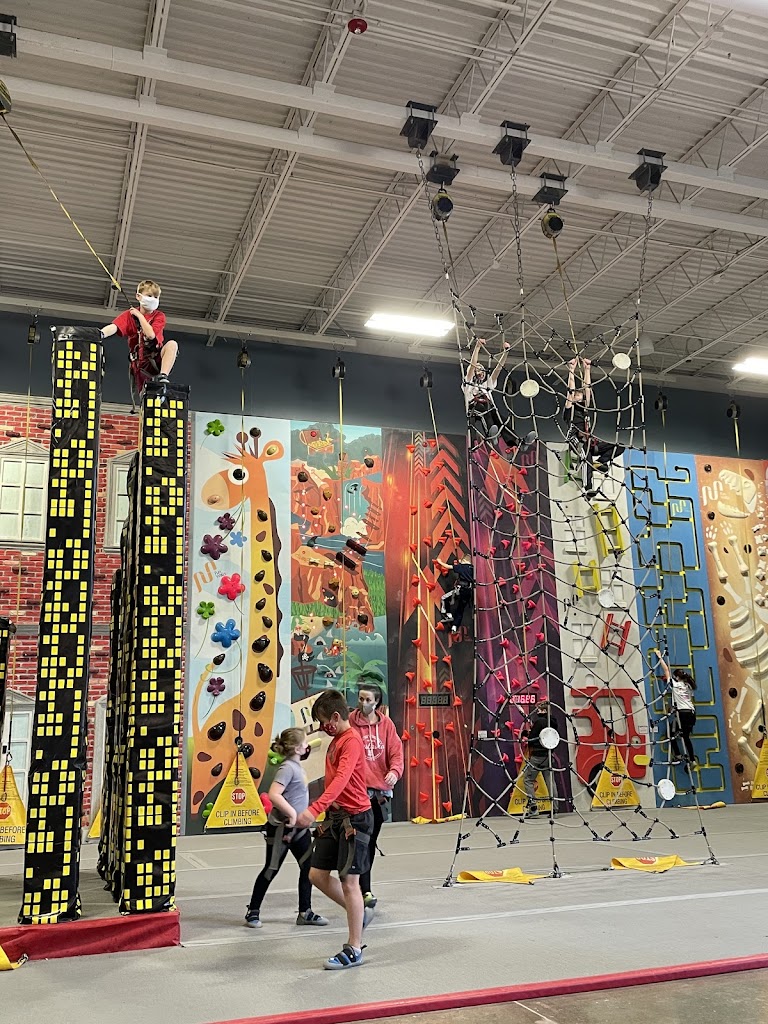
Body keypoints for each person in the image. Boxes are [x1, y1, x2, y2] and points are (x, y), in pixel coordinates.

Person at [296, 690, 374, 971]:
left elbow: (341, 779)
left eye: (323, 721)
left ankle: (354, 948)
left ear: (336, 716)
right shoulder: (336, 740)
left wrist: (313, 809)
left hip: (355, 820)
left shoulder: (351, 741)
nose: (322, 727)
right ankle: (359, 913)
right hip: (336, 818)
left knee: (349, 882)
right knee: (316, 874)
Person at [244, 728, 328, 929]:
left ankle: (305, 911)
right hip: (283, 830)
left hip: (299, 830)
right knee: (271, 869)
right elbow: (274, 794)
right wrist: (291, 813)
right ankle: (253, 911)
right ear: (298, 748)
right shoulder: (287, 768)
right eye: (305, 743)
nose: (307, 746)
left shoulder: (297, 767)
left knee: (308, 868)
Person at [350, 683, 404, 910]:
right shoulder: (350, 722)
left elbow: (396, 753)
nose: (363, 703)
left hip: (380, 794)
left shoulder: (387, 725)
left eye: (368, 700)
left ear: (377, 703)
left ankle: (364, 888)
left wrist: (394, 772)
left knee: (370, 842)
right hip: (357, 792)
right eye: (360, 699)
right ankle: (359, 888)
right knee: (358, 842)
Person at [99, 279, 179, 395]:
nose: (153, 299)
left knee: (172, 344)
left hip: (156, 358)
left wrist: (139, 316)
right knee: (145, 396)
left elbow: (151, 335)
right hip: (140, 364)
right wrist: (100, 334)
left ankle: (163, 376)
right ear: (138, 296)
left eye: (156, 297)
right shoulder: (129, 315)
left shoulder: (159, 316)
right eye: (149, 296)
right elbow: (115, 327)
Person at [564, 356, 623, 498]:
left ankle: (599, 462)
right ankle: (588, 487)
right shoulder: (570, 410)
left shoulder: (585, 409)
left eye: (581, 396)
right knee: (585, 455)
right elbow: (570, 391)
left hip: (590, 441)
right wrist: (571, 369)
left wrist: (587, 369)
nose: (580, 397)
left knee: (619, 446)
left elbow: (587, 389)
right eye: (577, 396)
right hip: (576, 439)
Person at [463, 337, 535, 451]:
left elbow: (498, 369)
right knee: (484, 411)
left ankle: (518, 442)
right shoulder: (468, 384)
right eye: (477, 369)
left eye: (481, 369)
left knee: (502, 420)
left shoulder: (487, 385)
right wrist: (477, 347)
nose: (480, 371)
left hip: (490, 407)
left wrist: (506, 353)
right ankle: (491, 434)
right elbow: (472, 366)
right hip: (475, 408)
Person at [656, 653, 697, 764]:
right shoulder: (689, 686)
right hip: (691, 713)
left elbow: (666, 670)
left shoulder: (675, 684)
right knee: (686, 737)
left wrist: (660, 657)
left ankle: (678, 755)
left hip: (682, 713)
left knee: (670, 734)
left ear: (677, 677)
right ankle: (692, 759)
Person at [519, 701, 556, 819]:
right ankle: (555, 808)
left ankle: (533, 808)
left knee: (528, 780)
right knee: (550, 781)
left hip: (537, 756)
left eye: (539, 710)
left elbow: (532, 738)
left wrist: (527, 735)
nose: (537, 712)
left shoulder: (539, 722)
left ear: (544, 711)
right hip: (549, 755)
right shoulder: (553, 722)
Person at [435, 555, 475, 632]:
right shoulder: (472, 569)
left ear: (464, 561)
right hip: (468, 591)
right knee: (460, 609)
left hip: (460, 589)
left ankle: (447, 614)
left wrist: (440, 562)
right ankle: (455, 626)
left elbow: (448, 567)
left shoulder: (462, 567)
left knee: (444, 598)